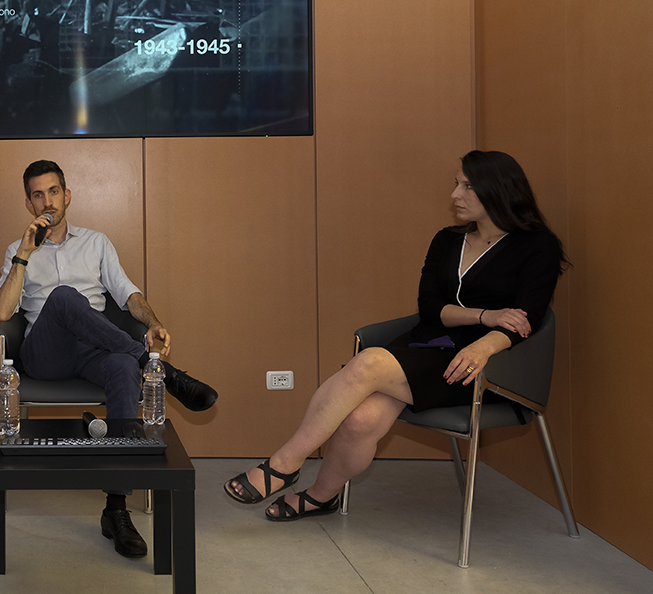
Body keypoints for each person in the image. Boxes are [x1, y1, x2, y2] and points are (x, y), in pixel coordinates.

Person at [224, 150, 566, 521]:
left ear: (497, 190)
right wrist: (486, 315)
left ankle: (284, 463)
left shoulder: (538, 246)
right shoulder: (448, 240)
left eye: (467, 186)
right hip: (427, 343)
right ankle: (322, 497)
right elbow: (431, 307)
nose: (455, 195)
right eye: (457, 184)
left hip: (482, 366)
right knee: (359, 420)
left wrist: (485, 343)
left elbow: (525, 320)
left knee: (368, 362)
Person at [0, 159, 218, 557]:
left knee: (120, 367)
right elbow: (2, 313)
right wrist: (24, 255)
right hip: (46, 356)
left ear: (67, 195)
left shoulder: (97, 242)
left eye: (53, 191)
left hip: (94, 349)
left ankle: (116, 510)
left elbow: (127, 293)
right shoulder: (17, 249)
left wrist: (155, 323)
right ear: (29, 204)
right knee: (64, 297)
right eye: (37, 194)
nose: (47, 201)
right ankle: (162, 372)